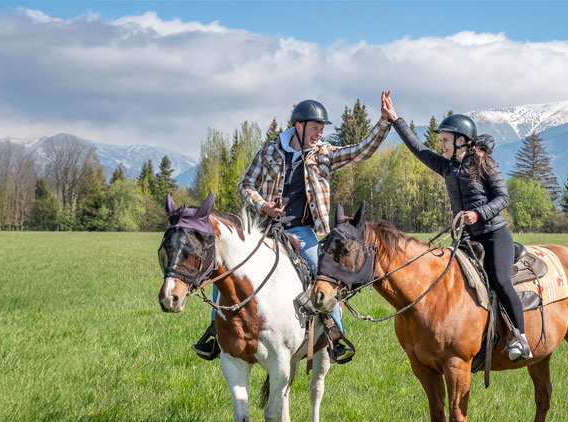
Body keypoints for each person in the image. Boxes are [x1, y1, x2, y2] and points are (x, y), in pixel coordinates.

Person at [193, 94, 393, 363]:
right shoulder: (268, 152)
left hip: (301, 231)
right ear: (298, 126)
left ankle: (335, 334)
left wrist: (384, 122)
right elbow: (245, 184)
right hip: (263, 229)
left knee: (324, 273)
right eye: (315, 127)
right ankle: (216, 331)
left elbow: (361, 151)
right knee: (227, 268)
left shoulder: (323, 154)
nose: (319, 133)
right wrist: (263, 205)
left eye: (322, 129)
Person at [381, 91, 533, 362]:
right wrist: (395, 121)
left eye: (445, 140)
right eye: (440, 141)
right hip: (465, 240)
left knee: (499, 279)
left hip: (494, 235)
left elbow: (503, 198)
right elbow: (419, 149)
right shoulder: (447, 167)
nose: (441, 145)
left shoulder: (485, 163)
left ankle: (520, 338)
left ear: (461, 141)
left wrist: (478, 214)